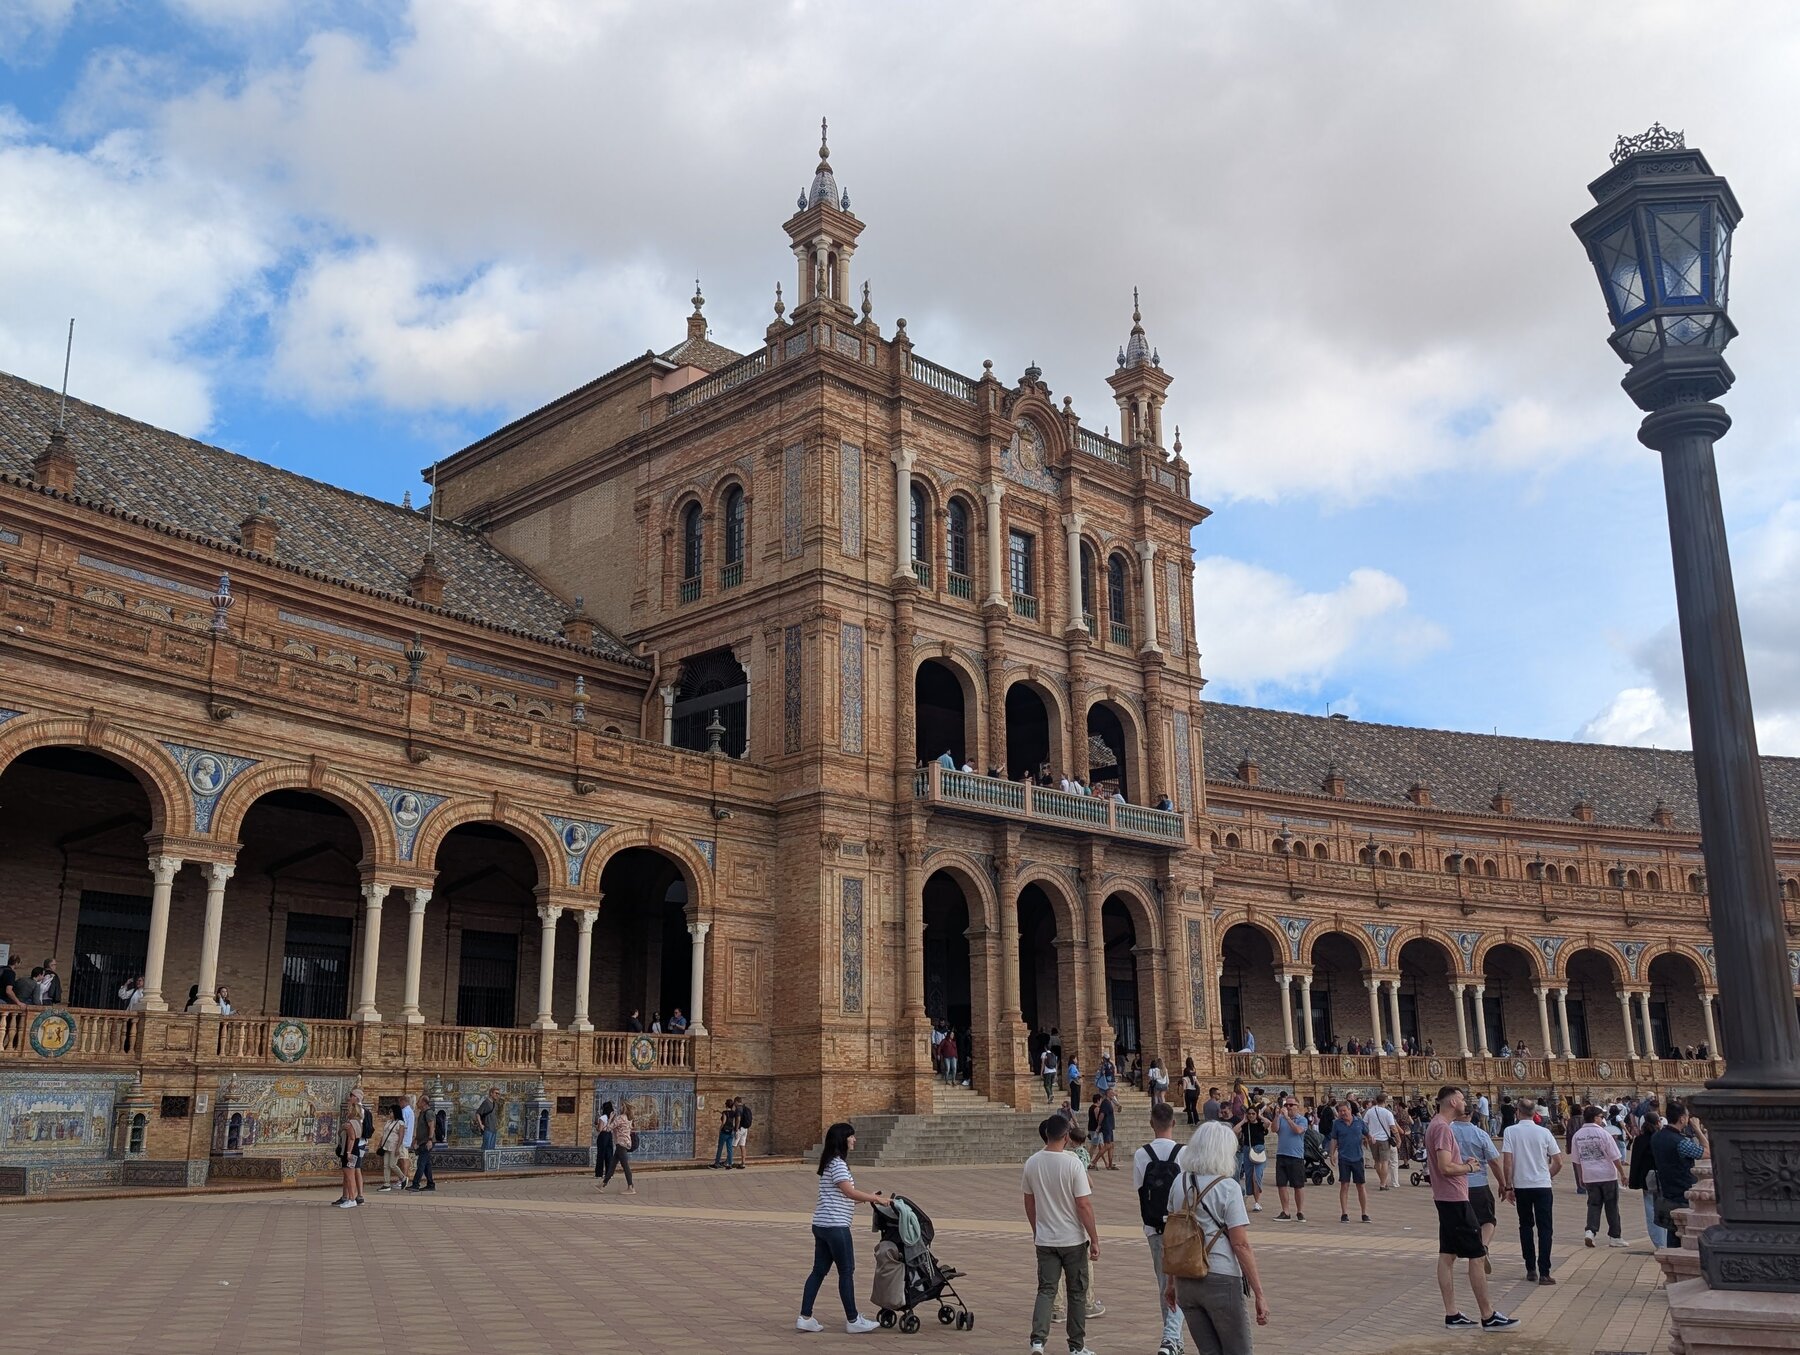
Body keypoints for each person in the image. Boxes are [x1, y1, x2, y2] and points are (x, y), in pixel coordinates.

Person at [1161, 1119, 1270, 1352]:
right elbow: (1240, 1244)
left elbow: (1172, 1237)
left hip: (1185, 1279)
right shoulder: (1228, 1187)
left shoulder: (1179, 1182)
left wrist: (1170, 1283)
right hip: (1220, 1277)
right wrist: (1259, 1292)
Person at [1428, 1086, 1517, 1331]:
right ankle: (1488, 1315)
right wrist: (1469, 1167)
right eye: (1462, 1100)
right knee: (1477, 1255)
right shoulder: (1444, 1129)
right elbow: (1446, 1167)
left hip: (1444, 1198)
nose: (1466, 1104)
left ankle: (1452, 1313)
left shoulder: (1435, 1125)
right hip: (1455, 1198)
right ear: (1454, 1102)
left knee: (1447, 1255)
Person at [795, 1122, 885, 1333]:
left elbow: (843, 1197)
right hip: (836, 1227)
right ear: (842, 1139)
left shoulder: (829, 1163)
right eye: (851, 1136)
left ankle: (805, 1316)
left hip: (822, 1224)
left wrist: (868, 1199)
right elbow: (850, 1193)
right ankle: (853, 1320)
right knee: (846, 1271)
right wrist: (876, 1199)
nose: (854, 1140)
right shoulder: (838, 1164)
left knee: (818, 1271)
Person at [1022, 1114, 1100, 1355]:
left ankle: (1038, 1341)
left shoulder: (1032, 1162)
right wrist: (1094, 1238)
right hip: (1073, 1239)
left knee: (1046, 1289)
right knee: (1076, 1292)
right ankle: (1076, 1345)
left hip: (1046, 1238)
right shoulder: (1072, 1163)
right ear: (1066, 1136)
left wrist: (1037, 1230)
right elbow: (1084, 1205)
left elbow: (1029, 1202)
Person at [1133, 1102, 1186, 1355]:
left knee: (1164, 1284)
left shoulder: (1141, 1154)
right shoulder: (1184, 1153)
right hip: (1181, 1228)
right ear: (1173, 1123)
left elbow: (1140, 1192)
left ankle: (1173, 1340)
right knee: (1180, 1284)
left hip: (1154, 1228)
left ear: (1151, 1123)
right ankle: (1172, 1339)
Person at [1501, 1096, 1563, 1283]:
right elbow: (1558, 1161)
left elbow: (1507, 1162)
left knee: (1526, 1226)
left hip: (1522, 1186)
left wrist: (1508, 1185)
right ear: (1535, 1113)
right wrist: (1548, 1174)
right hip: (1543, 1185)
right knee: (1545, 1229)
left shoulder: (1511, 1132)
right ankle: (1545, 1271)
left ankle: (1530, 1268)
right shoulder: (1544, 1132)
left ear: (1518, 1112)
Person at [1451, 1094, 1504, 1263]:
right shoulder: (1480, 1134)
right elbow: (1495, 1162)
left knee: (1459, 1223)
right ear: (1472, 1114)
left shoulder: (1447, 1131)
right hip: (1479, 1184)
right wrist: (1504, 1184)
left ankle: (1462, 1251)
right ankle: (1483, 1247)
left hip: (1454, 1185)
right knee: (1488, 1220)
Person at [1571, 1105, 1628, 1248]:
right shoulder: (1604, 1134)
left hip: (1590, 1175)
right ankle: (1615, 1236)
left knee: (1593, 1205)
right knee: (1612, 1206)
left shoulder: (1577, 1136)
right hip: (1607, 1175)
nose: (1603, 1119)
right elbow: (1615, 1157)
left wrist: (1580, 1177)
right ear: (1595, 1118)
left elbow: (1576, 1161)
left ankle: (1590, 1231)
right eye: (1601, 1117)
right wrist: (1622, 1173)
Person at [1651, 1101, 1708, 1243]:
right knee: (1686, 1232)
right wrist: (1698, 1129)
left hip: (1667, 1189)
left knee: (1673, 1230)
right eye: (1687, 1117)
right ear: (1682, 1118)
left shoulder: (1657, 1137)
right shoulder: (1680, 1142)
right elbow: (1708, 1152)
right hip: (1684, 1191)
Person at [1327, 1101, 1372, 1223]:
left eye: (1344, 1111)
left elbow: (1367, 1133)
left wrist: (1370, 1139)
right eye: (1340, 1111)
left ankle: (1364, 1213)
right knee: (1344, 1185)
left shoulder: (1359, 1122)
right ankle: (1344, 1213)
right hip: (1344, 1158)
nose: (1342, 1113)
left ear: (1349, 1110)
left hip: (1358, 1158)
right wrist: (1332, 1154)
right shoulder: (1337, 1124)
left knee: (1360, 1185)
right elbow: (1334, 1139)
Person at [1627, 1111, 1667, 1247]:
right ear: (1658, 1122)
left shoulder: (1640, 1139)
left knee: (1651, 1210)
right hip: (1663, 1177)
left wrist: (1634, 1181)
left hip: (1646, 1179)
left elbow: (1636, 1161)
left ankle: (1659, 1243)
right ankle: (1665, 1241)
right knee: (1664, 1209)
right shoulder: (1662, 1137)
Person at [1272, 1095, 1307, 1222]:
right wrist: (1276, 1116)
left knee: (1298, 1185)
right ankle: (1285, 1211)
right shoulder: (1280, 1118)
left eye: (1291, 1105)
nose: (1288, 1107)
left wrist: (1287, 1118)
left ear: (1297, 1107)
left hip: (1296, 1156)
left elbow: (1298, 1131)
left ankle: (1300, 1211)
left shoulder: (1302, 1120)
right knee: (1281, 1184)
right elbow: (1274, 1129)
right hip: (1282, 1154)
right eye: (1287, 1105)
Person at [335, 1089, 369, 1208]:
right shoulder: (357, 1123)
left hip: (351, 1151)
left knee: (350, 1175)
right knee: (351, 1174)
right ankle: (351, 1197)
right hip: (355, 1149)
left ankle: (351, 1198)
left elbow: (352, 1138)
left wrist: (348, 1152)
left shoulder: (351, 1123)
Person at [1236, 1094, 1270, 1212]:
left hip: (1259, 1150)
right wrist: (1243, 1121)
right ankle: (1252, 1198)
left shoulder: (1260, 1124)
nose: (1251, 1116)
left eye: (1253, 1114)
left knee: (1257, 1176)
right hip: (1247, 1150)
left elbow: (1268, 1123)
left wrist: (1260, 1116)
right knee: (1249, 1176)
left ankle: (1257, 1202)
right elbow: (1234, 1131)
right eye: (1249, 1114)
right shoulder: (1245, 1125)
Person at [1365, 1092, 1398, 1191]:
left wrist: (1367, 1136)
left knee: (1377, 1162)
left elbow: (1364, 1124)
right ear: (1385, 1101)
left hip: (1373, 1139)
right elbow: (1393, 1127)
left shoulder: (1370, 1111)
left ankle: (1382, 1181)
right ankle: (1383, 1183)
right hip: (1384, 1140)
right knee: (1384, 1162)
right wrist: (1398, 1139)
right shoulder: (1388, 1113)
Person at [375, 1102, 408, 1192]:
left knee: (392, 1164)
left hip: (394, 1146)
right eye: (389, 1112)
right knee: (386, 1165)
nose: (390, 1113)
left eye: (391, 1112)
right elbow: (384, 1134)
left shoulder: (400, 1123)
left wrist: (398, 1148)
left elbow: (401, 1136)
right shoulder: (388, 1122)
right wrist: (380, 1144)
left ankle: (403, 1177)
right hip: (386, 1146)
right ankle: (386, 1183)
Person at [607, 1102, 637, 1194]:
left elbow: (608, 1128)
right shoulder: (629, 1119)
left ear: (624, 1107)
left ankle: (631, 1187)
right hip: (626, 1143)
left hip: (621, 1144)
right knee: (612, 1165)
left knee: (625, 1166)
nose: (620, 1107)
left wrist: (611, 1118)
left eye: (621, 1106)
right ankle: (603, 1183)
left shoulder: (620, 1118)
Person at [410, 1090, 436, 1191]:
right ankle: (430, 1184)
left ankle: (416, 1184)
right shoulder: (422, 1113)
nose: (417, 1103)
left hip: (426, 1142)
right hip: (421, 1141)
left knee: (421, 1163)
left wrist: (430, 1140)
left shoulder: (429, 1113)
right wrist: (416, 1139)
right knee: (426, 1164)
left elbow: (431, 1127)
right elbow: (420, 1128)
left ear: (424, 1103)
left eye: (419, 1101)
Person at [593, 1099, 616, 1186]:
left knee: (602, 1155)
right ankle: (608, 1173)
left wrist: (596, 1126)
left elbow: (599, 1129)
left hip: (603, 1136)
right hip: (608, 1135)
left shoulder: (603, 1118)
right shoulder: (608, 1118)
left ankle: (599, 1173)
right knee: (608, 1154)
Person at [712, 1096, 740, 1168]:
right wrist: (718, 1111)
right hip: (731, 1131)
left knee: (720, 1147)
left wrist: (720, 1129)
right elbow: (730, 1116)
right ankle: (730, 1163)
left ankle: (717, 1163)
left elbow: (724, 1121)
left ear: (726, 1105)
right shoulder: (733, 1113)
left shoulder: (725, 1112)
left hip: (724, 1131)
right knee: (729, 1148)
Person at [475, 1087, 501, 1151]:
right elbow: (478, 1113)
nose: (497, 1095)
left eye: (498, 1094)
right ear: (491, 1093)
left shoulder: (494, 1103)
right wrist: (481, 1125)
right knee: (486, 1149)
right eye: (496, 1093)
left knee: (491, 1149)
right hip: (488, 1129)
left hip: (493, 1129)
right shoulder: (486, 1102)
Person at [734, 1096, 752, 1167]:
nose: (734, 1104)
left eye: (734, 1102)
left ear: (736, 1101)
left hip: (740, 1129)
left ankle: (728, 1161)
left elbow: (738, 1119)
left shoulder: (738, 1109)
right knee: (742, 1146)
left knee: (732, 1145)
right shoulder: (746, 1108)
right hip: (745, 1129)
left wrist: (736, 1128)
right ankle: (743, 1163)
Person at [1181, 1060, 1200, 1125]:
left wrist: (1182, 1092)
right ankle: (1196, 1119)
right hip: (1194, 1092)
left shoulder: (1185, 1078)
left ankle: (1190, 1120)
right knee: (1194, 1107)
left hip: (1188, 1092)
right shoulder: (1194, 1077)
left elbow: (1184, 1088)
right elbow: (1198, 1084)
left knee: (1188, 1107)